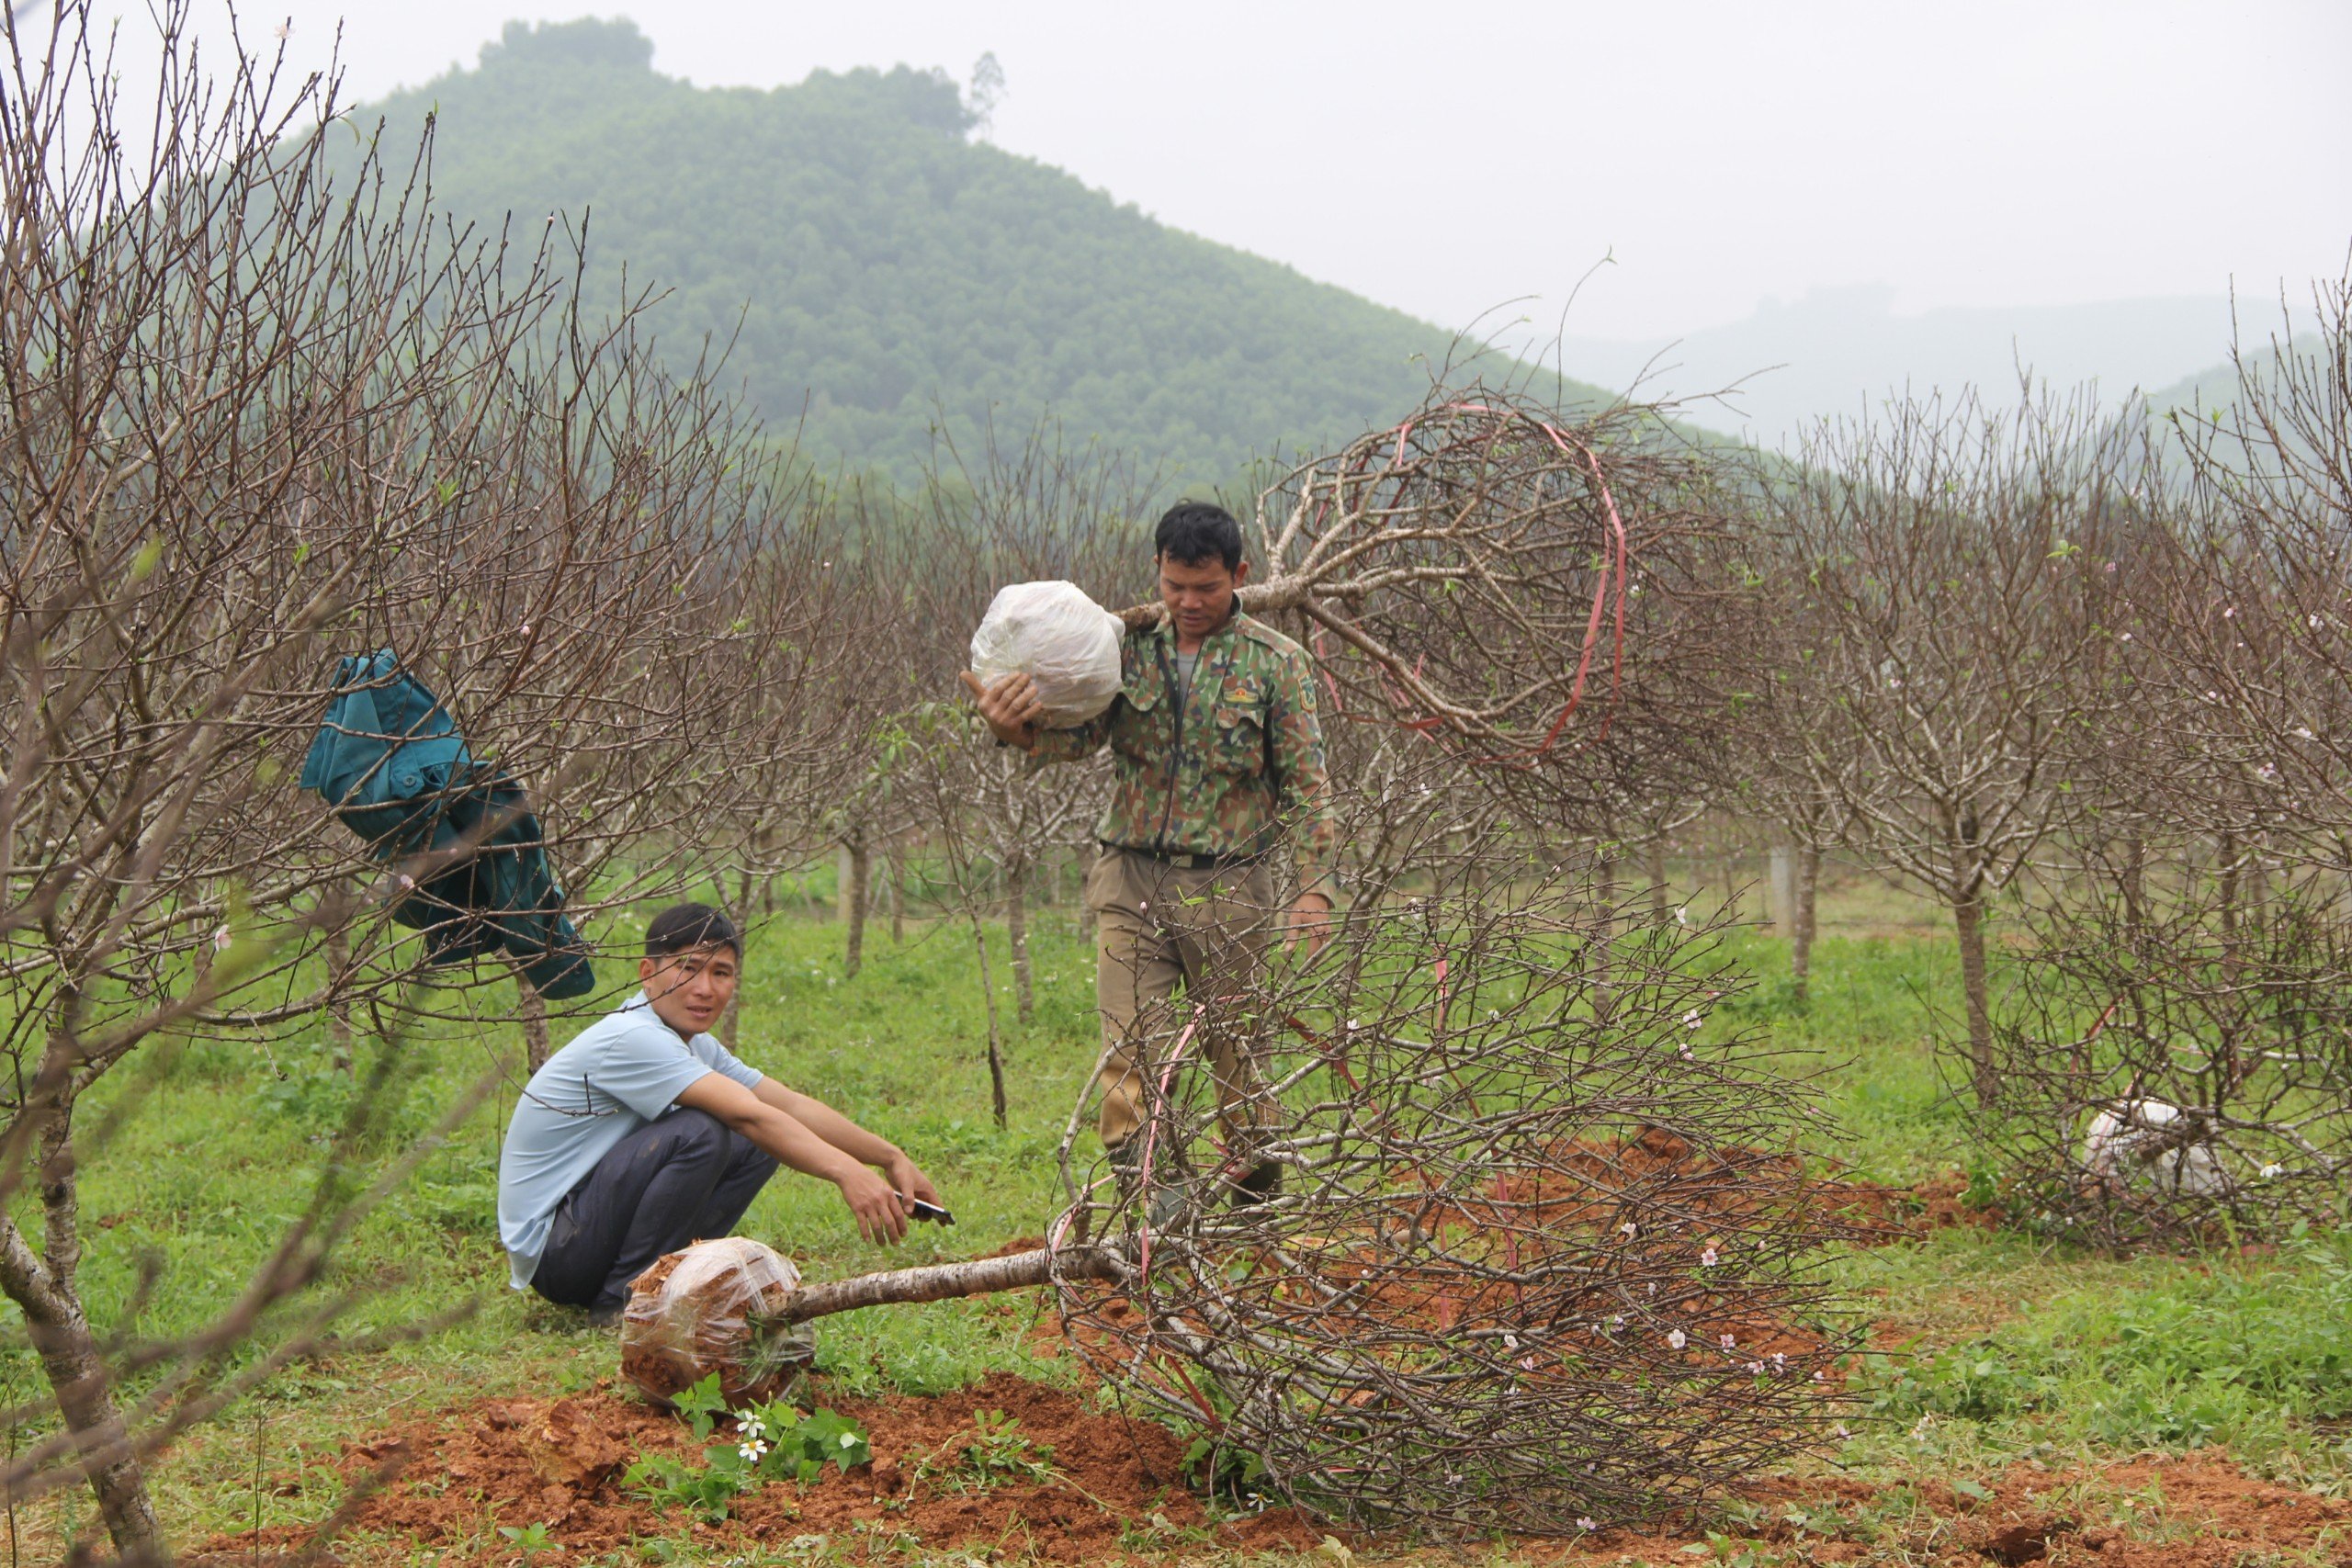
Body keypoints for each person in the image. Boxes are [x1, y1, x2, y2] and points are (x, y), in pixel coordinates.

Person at [966, 502, 1337, 1201]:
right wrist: (1012, 727)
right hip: (1130, 876)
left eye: (1206, 588)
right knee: (1129, 1049)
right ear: (1157, 575)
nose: (1189, 603)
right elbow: (1077, 740)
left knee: (1238, 1055)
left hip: (1231, 886)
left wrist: (1313, 887)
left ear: (1239, 576)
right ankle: (1156, 1207)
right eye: (1174, 586)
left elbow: (1309, 785)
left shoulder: (1276, 664)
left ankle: (1254, 1190)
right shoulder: (1126, 648)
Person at [497, 902, 943, 1322]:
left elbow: (786, 1104)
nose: (704, 988)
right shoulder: (632, 1037)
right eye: (687, 968)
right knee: (704, 1130)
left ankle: (674, 1279)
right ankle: (625, 1304)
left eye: (720, 972)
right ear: (647, 974)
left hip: (586, 1232)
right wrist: (848, 1173)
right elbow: (751, 1115)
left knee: (754, 1138)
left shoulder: (691, 1043)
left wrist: (890, 1158)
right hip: (559, 1251)